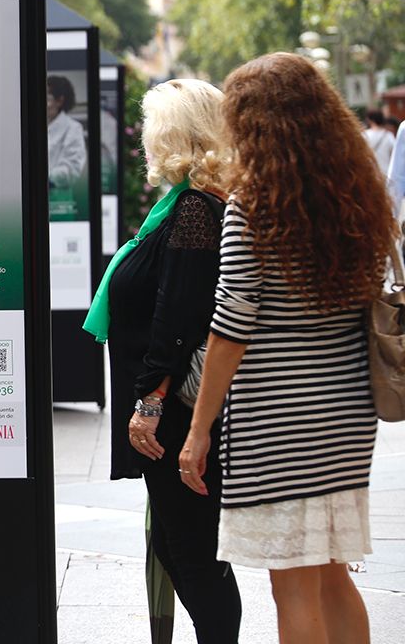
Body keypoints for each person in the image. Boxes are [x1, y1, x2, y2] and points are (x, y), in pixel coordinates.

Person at [179, 53, 394, 644]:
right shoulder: (358, 197)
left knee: (292, 586)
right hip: (346, 414)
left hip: (278, 418)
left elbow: (230, 327)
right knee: (330, 576)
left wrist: (199, 432)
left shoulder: (253, 205)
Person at [83, 79, 241, 642]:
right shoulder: (181, 205)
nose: (146, 144)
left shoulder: (195, 209)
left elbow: (179, 313)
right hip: (168, 404)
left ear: (175, 135)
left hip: (172, 408)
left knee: (192, 551)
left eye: (152, 131)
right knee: (179, 546)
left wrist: (149, 402)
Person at [47, 75, 87, 189]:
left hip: (57, 200)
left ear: (59, 101)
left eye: (47, 98)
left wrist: (45, 179)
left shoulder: (72, 128)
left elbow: (71, 168)